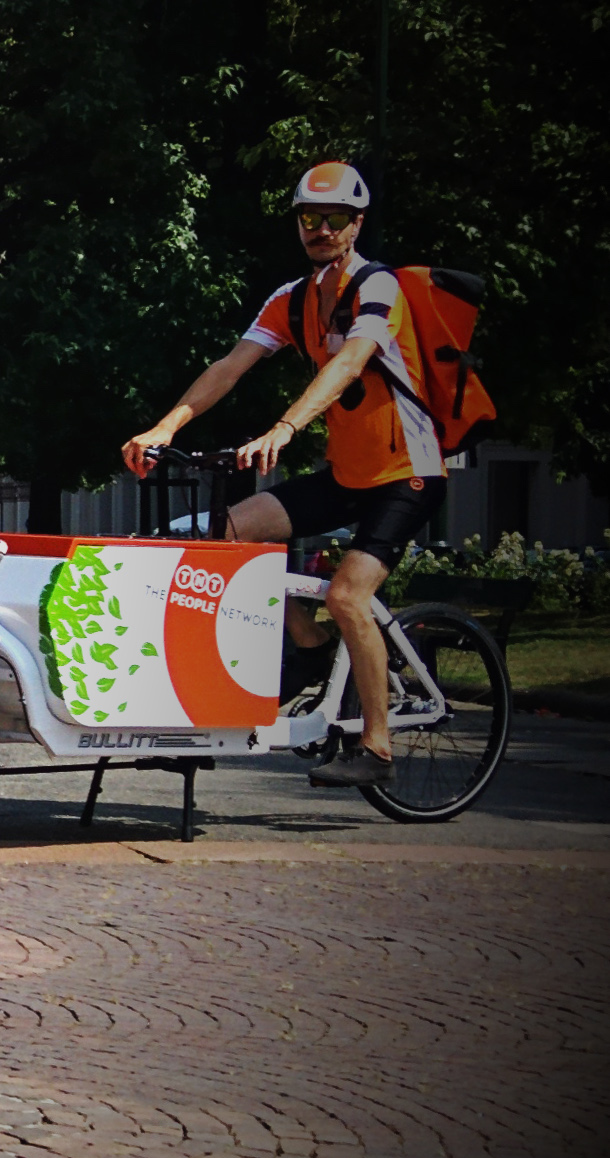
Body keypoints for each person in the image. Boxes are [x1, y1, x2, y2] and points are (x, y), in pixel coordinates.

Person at [123, 161, 445, 788]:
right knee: (226, 534)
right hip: (349, 473)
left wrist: (286, 427)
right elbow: (229, 367)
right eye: (308, 219)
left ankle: (376, 748)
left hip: (408, 472)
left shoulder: (379, 289)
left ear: (357, 224)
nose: (320, 230)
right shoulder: (291, 299)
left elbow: (350, 362)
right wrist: (165, 428)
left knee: (348, 596)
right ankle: (310, 644)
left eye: (333, 220)